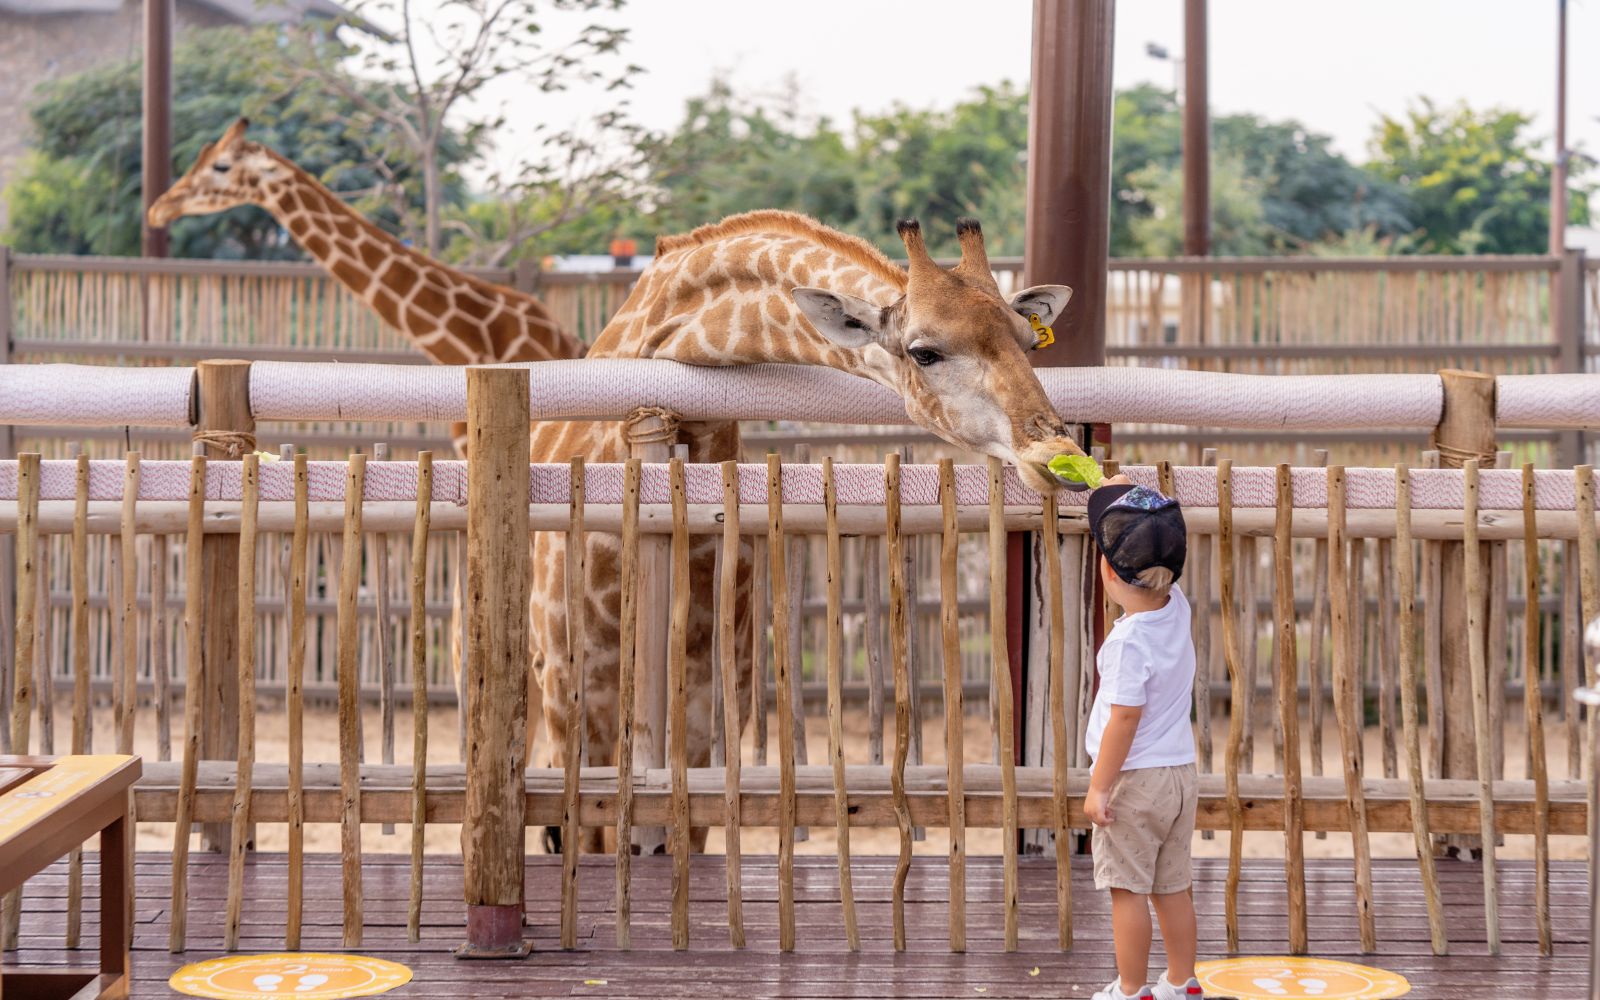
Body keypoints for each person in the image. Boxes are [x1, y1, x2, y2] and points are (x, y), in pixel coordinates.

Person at [1083, 476, 1203, 1000]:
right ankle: (1182, 980)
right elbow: (1153, 546)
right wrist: (1120, 486)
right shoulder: (1177, 606)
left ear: (1106, 570)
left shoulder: (1127, 641)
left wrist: (1099, 788)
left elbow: (1124, 720)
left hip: (1134, 783)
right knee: (1172, 886)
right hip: (1180, 776)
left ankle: (1131, 990)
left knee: (1127, 890)